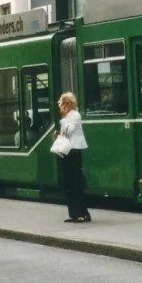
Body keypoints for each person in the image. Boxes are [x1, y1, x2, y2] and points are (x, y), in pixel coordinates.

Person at [54, 92, 90, 224]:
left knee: (75, 181)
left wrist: (63, 117)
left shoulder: (75, 115)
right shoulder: (66, 116)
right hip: (67, 150)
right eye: (63, 103)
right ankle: (74, 214)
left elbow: (70, 131)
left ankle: (82, 214)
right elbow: (64, 133)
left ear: (72, 103)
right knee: (68, 182)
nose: (65, 105)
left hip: (74, 150)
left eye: (67, 102)